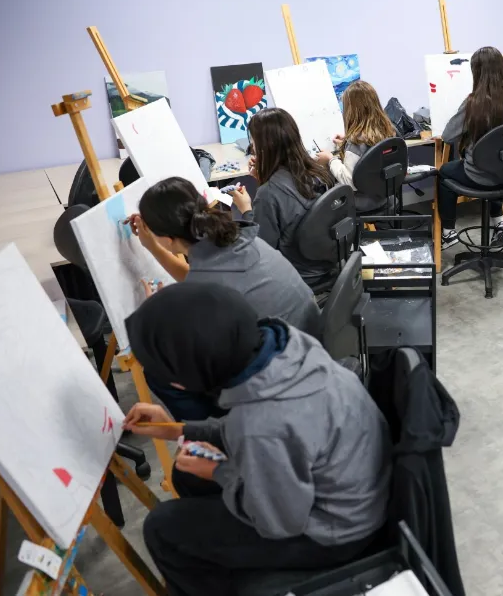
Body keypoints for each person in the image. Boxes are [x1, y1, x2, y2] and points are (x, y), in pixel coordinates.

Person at [123, 283, 391, 596]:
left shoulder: (261, 425)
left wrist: (220, 471)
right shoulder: (286, 346)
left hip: (337, 533)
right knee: (187, 474)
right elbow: (264, 430)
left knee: (163, 530)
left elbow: (280, 522)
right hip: (351, 489)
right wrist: (178, 430)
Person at [126, 176, 322, 420]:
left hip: (284, 379)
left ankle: (213, 428)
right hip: (311, 342)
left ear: (167, 239)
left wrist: (154, 312)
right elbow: (201, 277)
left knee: (161, 369)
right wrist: (153, 246)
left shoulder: (208, 284)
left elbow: (203, 292)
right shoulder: (237, 235)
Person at [438, 46, 503, 249]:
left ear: (477, 73)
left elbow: (447, 136)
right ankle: (501, 222)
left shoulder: (474, 103)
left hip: (479, 178)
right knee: (494, 163)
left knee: (444, 173)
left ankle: (448, 232)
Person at [247, 108, 337, 283]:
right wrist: (265, 178)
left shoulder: (268, 194)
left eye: (253, 141)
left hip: (295, 275)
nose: (252, 147)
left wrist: (246, 210)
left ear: (264, 146)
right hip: (327, 262)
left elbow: (261, 252)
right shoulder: (318, 172)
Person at [315, 80, 398, 212]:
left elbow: (348, 181)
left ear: (351, 110)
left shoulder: (356, 142)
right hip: (384, 196)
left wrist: (330, 159)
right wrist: (345, 143)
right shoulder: (388, 130)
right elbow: (368, 154)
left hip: (361, 202)